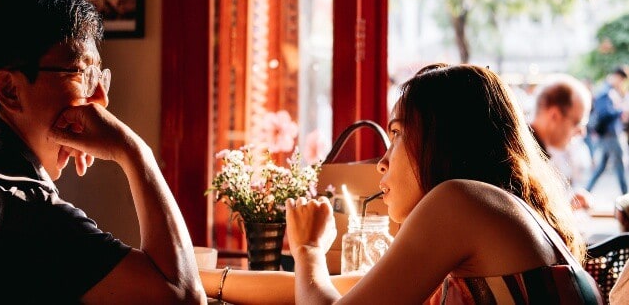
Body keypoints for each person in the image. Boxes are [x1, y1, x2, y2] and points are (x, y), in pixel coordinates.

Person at [200, 64, 602, 304]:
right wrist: (197, 278)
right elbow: (314, 289)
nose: (382, 161)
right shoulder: (495, 210)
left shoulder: (459, 201)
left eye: (397, 134)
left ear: (441, 140)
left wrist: (307, 249)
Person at [0, 0, 205, 303]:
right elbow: (182, 295)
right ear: (9, 90)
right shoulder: (21, 206)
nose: (100, 99)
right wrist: (135, 152)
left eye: (99, 77)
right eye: (81, 74)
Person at [530, 75, 593, 210]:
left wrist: (565, 204)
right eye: (577, 123)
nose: (582, 132)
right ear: (554, 115)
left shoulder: (531, 149)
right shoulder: (523, 159)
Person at [585, 67, 628, 196]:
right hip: (610, 134)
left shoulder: (609, 90)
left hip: (609, 134)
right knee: (619, 165)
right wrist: (620, 111)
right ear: (616, 77)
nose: (621, 83)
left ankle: (586, 191)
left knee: (602, 167)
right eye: (621, 80)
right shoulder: (606, 91)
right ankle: (626, 195)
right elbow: (604, 113)